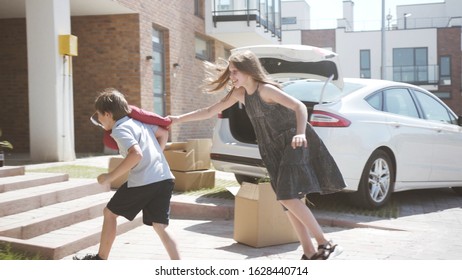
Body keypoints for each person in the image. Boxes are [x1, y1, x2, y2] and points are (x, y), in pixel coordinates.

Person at [168, 50, 346, 260]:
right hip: (272, 150)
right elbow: (209, 110)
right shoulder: (239, 94)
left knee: (288, 196)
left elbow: (299, 107)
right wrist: (176, 119)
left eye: (235, 72)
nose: (231, 76)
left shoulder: (266, 90)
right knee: (286, 200)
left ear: (248, 71)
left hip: (293, 141)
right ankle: (309, 252)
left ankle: (327, 243)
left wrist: (299, 134)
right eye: (230, 72)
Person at [74, 88, 180, 260]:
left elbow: (136, 154)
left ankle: (100, 259)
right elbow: (164, 132)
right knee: (160, 226)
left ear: (108, 114)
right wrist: (156, 156)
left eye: (99, 116)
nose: (99, 121)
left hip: (145, 181)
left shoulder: (119, 129)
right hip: (164, 178)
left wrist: (110, 177)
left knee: (109, 213)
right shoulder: (139, 123)